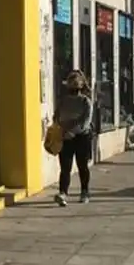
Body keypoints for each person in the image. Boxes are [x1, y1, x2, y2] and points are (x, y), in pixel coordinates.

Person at [54, 69, 93, 207]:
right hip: (65, 137)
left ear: (81, 85)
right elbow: (56, 117)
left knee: (82, 166)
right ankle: (63, 193)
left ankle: (85, 192)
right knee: (65, 167)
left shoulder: (85, 101)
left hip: (82, 137)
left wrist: (73, 132)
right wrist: (61, 130)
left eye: (76, 83)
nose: (73, 86)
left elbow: (86, 121)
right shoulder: (63, 101)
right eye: (71, 83)